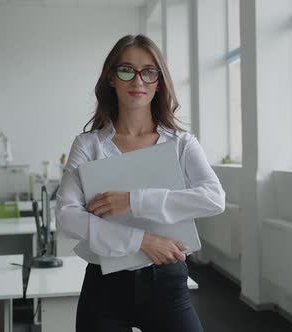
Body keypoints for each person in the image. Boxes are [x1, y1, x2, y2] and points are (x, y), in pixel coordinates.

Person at [55, 34, 226, 332]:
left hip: (166, 283)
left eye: (149, 72)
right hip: (104, 286)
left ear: (159, 81)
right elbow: (67, 217)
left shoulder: (182, 144)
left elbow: (213, 198)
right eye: (126, 70)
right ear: (111, 78)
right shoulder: (87, 145)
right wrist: (143, 241)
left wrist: (133, 200)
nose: (138, 81)